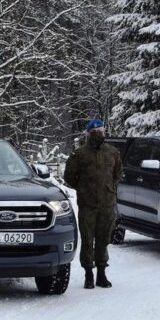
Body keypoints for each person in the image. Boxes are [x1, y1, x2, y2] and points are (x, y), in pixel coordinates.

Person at [63, 117, 122, 289]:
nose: (99, 134)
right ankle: (88, 274)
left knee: (103, 239)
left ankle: (101, 275)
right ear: (89, 134)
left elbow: (117, 174)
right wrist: (83, 189)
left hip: (107, 203)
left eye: (101, 131)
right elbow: (69, 177)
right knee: (88, 240)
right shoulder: (79, 154)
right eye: (95, 132)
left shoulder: (112, 152)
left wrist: (107, 188)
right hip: (87, 204)